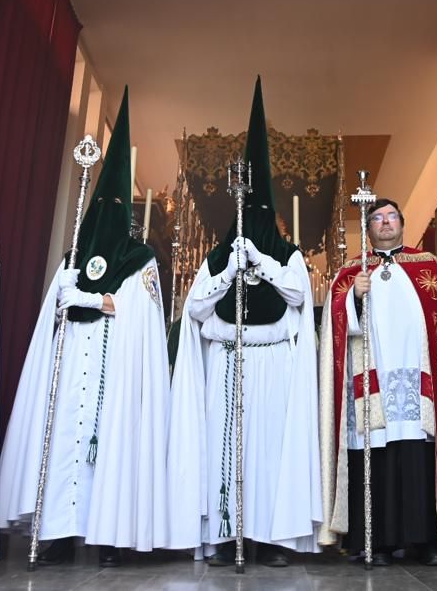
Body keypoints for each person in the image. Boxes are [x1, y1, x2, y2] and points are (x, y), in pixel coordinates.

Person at [0, 88, 169, 566]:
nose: (109, 214)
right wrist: (64, 294)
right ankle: (57, 531)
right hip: (73, 355)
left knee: (106, 440)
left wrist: (91, 298)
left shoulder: (141, 259)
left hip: (115, 361)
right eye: (104, 205)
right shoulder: (73, 256)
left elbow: (137, 309)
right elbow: (53, 311)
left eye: (119, 206)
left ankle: (107, 532)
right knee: (62, 440)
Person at [166, 77, 321, 566]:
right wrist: (229, 268)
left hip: (273, 360)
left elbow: (299, 294)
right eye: (245, 215)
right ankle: (225, 533)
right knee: (222, 448)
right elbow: (194, 310)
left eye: (259, 213)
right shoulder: (217, 254)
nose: (251, 220)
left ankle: (270, 537)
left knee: (270, 451)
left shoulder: (286, 254)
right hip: (227, 360)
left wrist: (262, 261)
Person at [319, 198, 437, 566]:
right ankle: (376, 542)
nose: (385, 223)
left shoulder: (427, 265)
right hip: (370, 387)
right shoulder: (351, 272)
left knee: (419, 458)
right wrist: (353, 297)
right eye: (376, 218)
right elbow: (333, 328)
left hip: (419, 384)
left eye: (390, 217)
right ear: (368, 229)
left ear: (402, 222)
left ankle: (428, 543)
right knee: (375, 458)